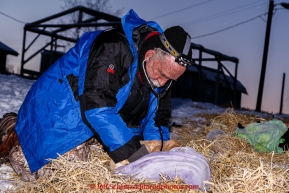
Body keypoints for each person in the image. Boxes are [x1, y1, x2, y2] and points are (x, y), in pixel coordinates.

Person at [0, 9, 193, 181]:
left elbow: (157, 121)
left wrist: (159, 155)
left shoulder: (162, 73)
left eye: (171, 80)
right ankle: (12, 126)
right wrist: (137, 157)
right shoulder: (111, 46)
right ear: (150, 54)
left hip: (96, 125)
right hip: (59, 113)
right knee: (61, 175)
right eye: (162, 75)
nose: (163, 84)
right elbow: (97, 105)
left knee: (107, 167)